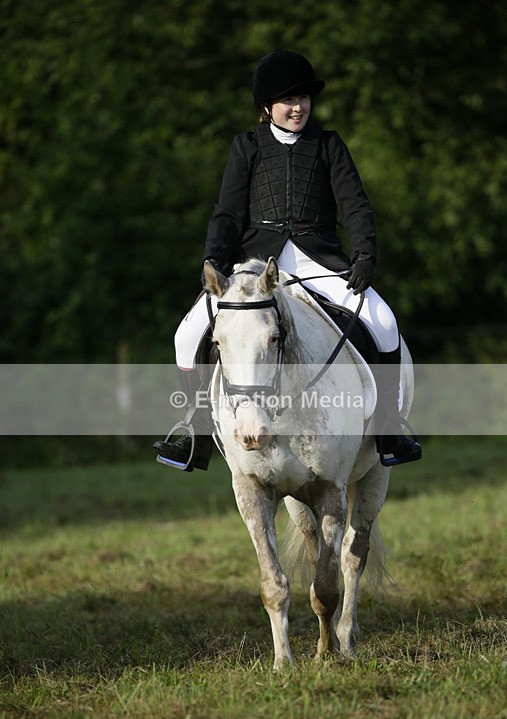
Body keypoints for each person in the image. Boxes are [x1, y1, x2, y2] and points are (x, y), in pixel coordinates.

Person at [154, 50, 421, 470]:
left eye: (304, 99)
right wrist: (215, 261)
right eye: (288, 101)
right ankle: (196, 427)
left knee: (384, 321)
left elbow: (355, 205)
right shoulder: (246, 146)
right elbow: (227, 212)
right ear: (267, 107)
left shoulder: (329, 144)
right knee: (186, 335)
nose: (298, 108)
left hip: (319, 260)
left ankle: (389, 424)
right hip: (256, 268)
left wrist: (364, 253)